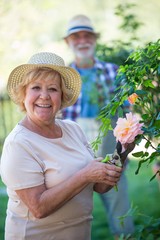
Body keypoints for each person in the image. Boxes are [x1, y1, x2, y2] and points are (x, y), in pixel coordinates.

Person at [0, 52, 124, 240]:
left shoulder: (73, 130)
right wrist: (85, 174)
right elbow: (38, 208)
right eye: (36, 87)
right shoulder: (18, 144)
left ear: (62, 96)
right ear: (23, 94)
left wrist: (123, 148)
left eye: (52, 89)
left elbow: (99, 186)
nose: (44, 96)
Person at [62, 14, 135, 238]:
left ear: (95, 39)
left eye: (87, 36)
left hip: (108, 146)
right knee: (70, 218)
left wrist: (124, 149)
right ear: (68, 42)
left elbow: (127, 114)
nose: (82, 41)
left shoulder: (113, 71)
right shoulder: (63, 76)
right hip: (73, 148)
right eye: (76, 37)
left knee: (122, 217)